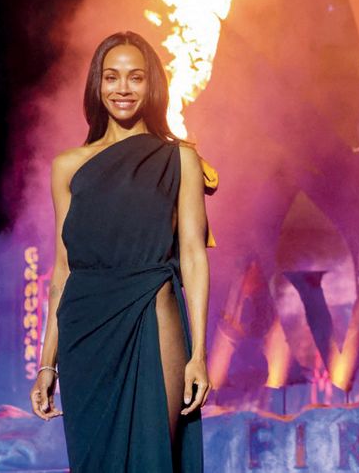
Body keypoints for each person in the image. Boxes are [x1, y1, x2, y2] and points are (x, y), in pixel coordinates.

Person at [29, 30, 218, 472]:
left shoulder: (180, 161)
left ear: (152, 85)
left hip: (153, 316)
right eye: (112, 77)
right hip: (85, 333)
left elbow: (193, 256)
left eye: (135, 78)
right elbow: (62, 272)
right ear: (97, 85)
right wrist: (46, 365)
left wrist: (200, 354)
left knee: (154, 459)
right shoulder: (68, 167)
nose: (123, 89)